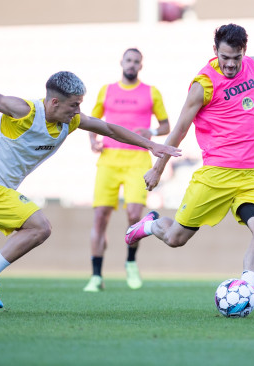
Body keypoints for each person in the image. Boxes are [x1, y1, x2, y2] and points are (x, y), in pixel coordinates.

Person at [0, 71, 181, 314]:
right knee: (40, 227)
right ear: (54, 102)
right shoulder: (23, 110)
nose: (77, 111)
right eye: (74, 105)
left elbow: (108, 128)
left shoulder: (70, 122)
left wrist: (150, 145)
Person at [125, 24, 254, 306]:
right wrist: (158, 169)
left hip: (253, 175)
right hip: (216, 176)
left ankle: (246, 288)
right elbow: (179, 129)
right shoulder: (202, 84)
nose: (231, 64)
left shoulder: (252, 66)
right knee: (174, 238)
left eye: (236, 57)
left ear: (244, 51)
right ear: (215, 51)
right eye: (225, 57)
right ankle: (151, 225)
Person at [83, 48, 171, 292]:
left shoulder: (151, 92)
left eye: (136, 61)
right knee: (100, 217)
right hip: (109, 159)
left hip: (137, 160)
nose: (132, 64)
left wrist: (152, 132)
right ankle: (96, 276)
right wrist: (92, 141)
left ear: (141, 66)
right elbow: (92, 119)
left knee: (134, 215)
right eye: (128, 60)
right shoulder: (107, 90)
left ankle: (131, 262)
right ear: (121, 62)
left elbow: (165, 125)